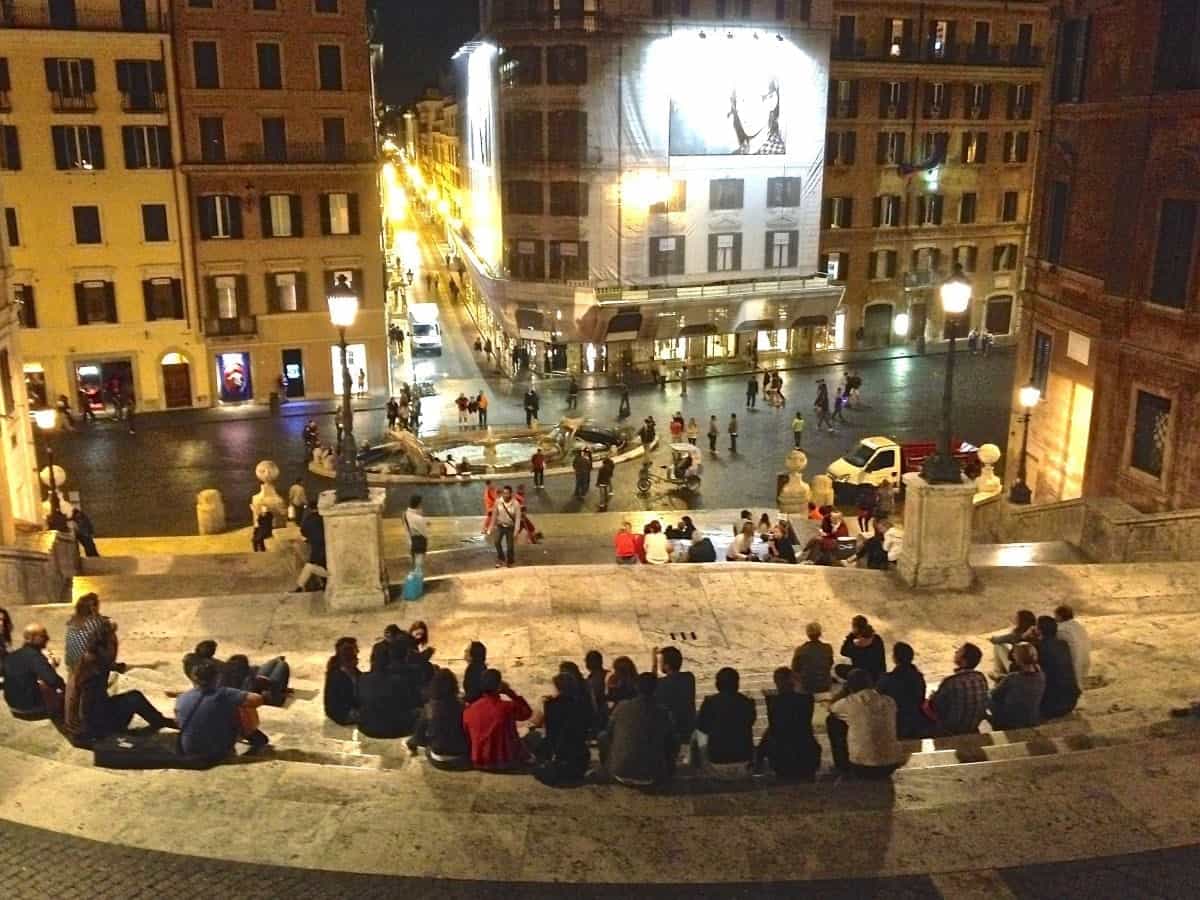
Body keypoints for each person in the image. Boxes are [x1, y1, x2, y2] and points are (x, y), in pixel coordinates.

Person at [176, 658, 268, 763]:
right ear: (217, 677)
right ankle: (253, 737)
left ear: (193, 677)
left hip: (188, 750)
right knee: (242, 707)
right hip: (217, 753)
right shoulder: (225, 693)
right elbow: (258, 700)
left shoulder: (182, 697)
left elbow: (178, 722)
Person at [600, 672, 678, 787]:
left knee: (602, 736)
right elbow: (672, 741)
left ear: (636, 687)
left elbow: (608, 733)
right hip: (653, 775)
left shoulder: (622, 706)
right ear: (656, 688)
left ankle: (606, 768)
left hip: (620, 773)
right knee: (673, 739)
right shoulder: (663, 712)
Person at [827, 669, 903, 778]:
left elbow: (831, 707)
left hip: (862, 767)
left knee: (833, 720)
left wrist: (844, 691)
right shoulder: (889, 701)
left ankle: (841, 766)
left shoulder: (849, 702)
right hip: (890, 765)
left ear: (849, 687)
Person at [462, 668, 533, 771]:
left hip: (478, 761)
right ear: (499, 686)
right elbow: (527, 713)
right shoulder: (508, 707)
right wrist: (510, 692)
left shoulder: (469, 710)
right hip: (505, 762)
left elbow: (467, 733)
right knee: (533, 736)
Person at [758, 667, 821, 780]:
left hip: (783, 757)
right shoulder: (806, 700)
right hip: (806, 755)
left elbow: (774, 728)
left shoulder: (774, 702)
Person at [529, 672, 591, 784]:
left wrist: (542, 703)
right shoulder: (582, 705)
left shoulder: (549, 704)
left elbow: (534, 722)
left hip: (555, 756)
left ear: (557, 687)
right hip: (579, 761)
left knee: (533, 737)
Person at [694, 667, 756, 776]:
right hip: (744, 762)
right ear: (737, 684)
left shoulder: (709, 703)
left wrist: (704, 761)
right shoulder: (747, 703)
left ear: (717, 685)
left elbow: (701, 733)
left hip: (716, 763)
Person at [407, 668, 471, 768]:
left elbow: (418, 738)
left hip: (438, 758)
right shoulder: (463, 706)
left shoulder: (429, 708)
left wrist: (414, 743)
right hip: (461, 754)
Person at [357, 641, 420, 738]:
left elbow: (359, 702)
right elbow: (411, 703)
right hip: (395, 730)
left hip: (367, 728)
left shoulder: (362, 679)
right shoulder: (400, 681)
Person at [924, 643, 989, 736]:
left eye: (959, 651)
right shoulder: (981, 678)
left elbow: (934, 707)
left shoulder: (951, 681)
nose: (956, 652)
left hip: (951, 730)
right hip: (973, 728)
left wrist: (932, 697)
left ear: (964, 659)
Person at [3, 623, 64, 718]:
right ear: (31, 638)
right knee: (63, 693)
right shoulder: (34, 656)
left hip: (13, 707)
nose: (48, 638)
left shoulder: (12, 655)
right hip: (31, 709)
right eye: (43, 635)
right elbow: (53, 681)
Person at [1032, 616, 1080, 720]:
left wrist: (1024, 636)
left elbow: (1014, 656)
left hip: (1050, 706)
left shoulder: (1037, 647)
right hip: (1071, 701)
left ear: (1038, 630)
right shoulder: (1063, 644)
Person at [989, 643, 1045, 731]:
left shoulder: (1012, 678)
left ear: (1018, 659)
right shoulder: (1041, 675)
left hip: (1010, 723)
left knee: (986, 695)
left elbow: (994, 695)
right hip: (1031, 720)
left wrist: (996, 681)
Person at [877, 642, 928, 740]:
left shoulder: (887, 679)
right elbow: (920, 699)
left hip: (894, 726)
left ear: (895, 658)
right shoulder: (919, 678)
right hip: (915, 725)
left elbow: (878, 701)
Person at [653, 646, 696, 746]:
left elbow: (651, 684)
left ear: (667, 665)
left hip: (671, 734)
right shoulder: (689, 678)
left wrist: (654, 663)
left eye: (661, 662)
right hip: (688, 732)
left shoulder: (661, 684)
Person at [834, 616, 885, 682]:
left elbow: (843, 651)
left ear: (856, 628)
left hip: (863, 676)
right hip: (878, 676)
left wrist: (850, 636)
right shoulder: (877, 639)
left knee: (839, 668)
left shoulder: (857, 644)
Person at [988, 609, 1037, 677]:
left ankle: (999, 675)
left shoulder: (1017, 634)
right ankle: (999, 674)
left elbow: (997, 640)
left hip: (1017, 668)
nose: (1014, 619)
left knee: (998, 646)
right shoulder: (1035, 632)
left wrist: (991, 639)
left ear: (1021, 621)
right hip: (1032, 668)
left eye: (1017, 618)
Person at [323, 637, 360, 726]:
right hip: (342, 713)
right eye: (356, 648)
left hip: (343, 709)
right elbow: (350, 697)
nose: (358, 651)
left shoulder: (347, 667)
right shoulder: (338, 674)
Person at [293, 500, 328, 592]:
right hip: (326, 552)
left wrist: (309, 538)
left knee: (309, 566)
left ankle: (300, 587)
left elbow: (303, 531)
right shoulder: (324, 518)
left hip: (319, 554)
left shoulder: (309, 519)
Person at [1054, 604, 1090, 688]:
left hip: (1073, 666)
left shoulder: (1061, 629)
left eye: (1055, 616)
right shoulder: (1079, 626)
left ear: (1059, 616)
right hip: (1084, 663)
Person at [792, 622, 834, 694]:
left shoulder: (800, 649)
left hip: (807, 686)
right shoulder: (828, 648)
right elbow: (830, 664)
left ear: (807, 634)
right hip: (824, 686)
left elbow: (795, 668)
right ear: (820, 633)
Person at [492, 485, 521, 567]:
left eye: (507, 493)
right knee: (496, 542)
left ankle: (510, 561)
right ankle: (501, 558)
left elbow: (518, 518)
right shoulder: (498, 502)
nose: (505, 495)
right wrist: (492, 526)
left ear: (511, 494)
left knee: (510, 546)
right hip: (500, 526)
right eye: (504, 493)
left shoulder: (516, 504)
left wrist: (516, 530)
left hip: (510, 527)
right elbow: (494, 514)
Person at [584, 649, 609, 735]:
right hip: (596, 717)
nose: (587, 663)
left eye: (590, 660)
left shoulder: (608, 676)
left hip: (606, 714)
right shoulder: (589, 679)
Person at [403, 494, 428, 570]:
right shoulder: (419, 518)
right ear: (419, 504)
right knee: (418, 567)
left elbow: (408, 526)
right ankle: (416, 581)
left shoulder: (405, 514)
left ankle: (415, 579)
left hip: (410, 541)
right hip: (419, 543)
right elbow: (424, 533)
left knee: (414, 565)